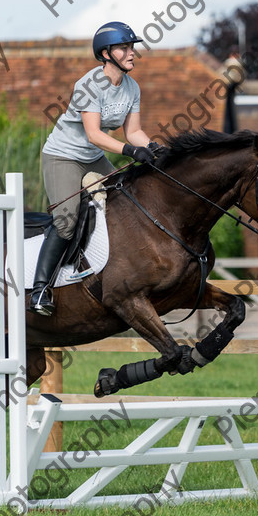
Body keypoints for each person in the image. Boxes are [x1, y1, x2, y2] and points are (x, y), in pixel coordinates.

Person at [30, 21, 159, 316]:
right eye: (125, 48)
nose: (132, 53)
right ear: (106, 53)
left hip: (92, 157)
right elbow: (94, 134)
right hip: (63, 156)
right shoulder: (89, 85)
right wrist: (130, 151)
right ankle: (40, 290)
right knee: (66, 219)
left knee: (126, 200)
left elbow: (134, 133)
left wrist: (153, 148)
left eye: (132, 47)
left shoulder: (132, 87)